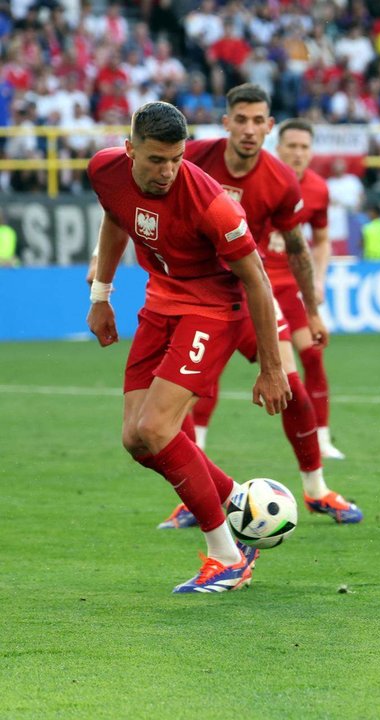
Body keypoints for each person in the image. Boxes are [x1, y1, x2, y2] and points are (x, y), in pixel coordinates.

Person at [86, 101, 289, 592]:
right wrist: (101, 295)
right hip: (159, 302)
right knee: (136, 439)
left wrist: (272, 367)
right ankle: (240, 501)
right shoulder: (104, 170)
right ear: (129, 149)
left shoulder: (211, 203)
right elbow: (117, 218)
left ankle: (227, 555)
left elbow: (258, 280)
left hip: (211, 310)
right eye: (156, 160)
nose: (168, 171)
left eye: (176, 159)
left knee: (156, 428)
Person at [174, 84, 362, 525]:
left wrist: (313, 309)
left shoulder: (278, 178)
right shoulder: (194, 156)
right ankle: (194, 498)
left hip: (249, 297)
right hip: (194, 296)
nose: (249, 129)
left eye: (259, 121)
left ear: (269, 126)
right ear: (226, 122)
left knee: (291, 388)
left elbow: (298, 247)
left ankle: (316, 490)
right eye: (241, 119)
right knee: (180, 402)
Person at [268, 117, 346, 459]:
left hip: (291, 285)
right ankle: (199, 438)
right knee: (216, 364)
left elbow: (322, 240)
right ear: (278, 148)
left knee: (312, 356)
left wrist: (318, 280)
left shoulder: (318, 189)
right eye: (292, 146)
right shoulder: (259, 179)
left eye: (304, 147)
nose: (298, 153)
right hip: (254, 286)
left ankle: (323, 438)